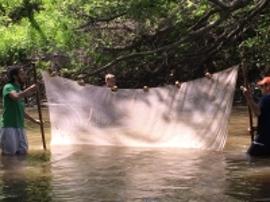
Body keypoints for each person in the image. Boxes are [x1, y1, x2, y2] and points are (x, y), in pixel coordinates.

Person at [0, 67, 40, 155]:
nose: (25, 76)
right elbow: (15, 97)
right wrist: (30, 89)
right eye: (22, 74)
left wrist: (34, 121)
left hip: (20, 126)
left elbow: (21, 111)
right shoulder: (8, 87)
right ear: (15, 76)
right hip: (9, 126)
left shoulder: (19, 89)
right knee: (9, 155)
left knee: (23, 153)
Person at [242, 76, 270, 156]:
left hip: (262, 143)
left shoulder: (266, 98)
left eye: (262, 86)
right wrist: (255, 128)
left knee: (246, 159)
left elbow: (257, 112)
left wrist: (248, 97)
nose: (261, 89)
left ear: (268, 87)